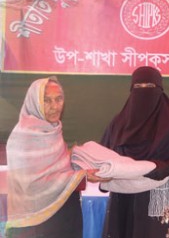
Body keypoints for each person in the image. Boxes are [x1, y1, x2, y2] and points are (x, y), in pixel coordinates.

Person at [100, 66, 169, 238]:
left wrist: (166, 168)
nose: (143, 93)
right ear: (131, 90)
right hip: (124, 197)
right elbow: (103, 156)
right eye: (138, 87)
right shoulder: (118, 123)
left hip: (160, 194)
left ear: (159, 89)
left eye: (149, 88)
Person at [6, 77, 104, 237]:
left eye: (59, 99)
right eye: (46, 100)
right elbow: (32, 185)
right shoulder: (22, 138)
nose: (54, 106)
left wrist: (78, 164)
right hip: (36, 224)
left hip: (63, 218)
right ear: (35, 102)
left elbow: (59, 171)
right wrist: (80, 176)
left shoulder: (54, 132)